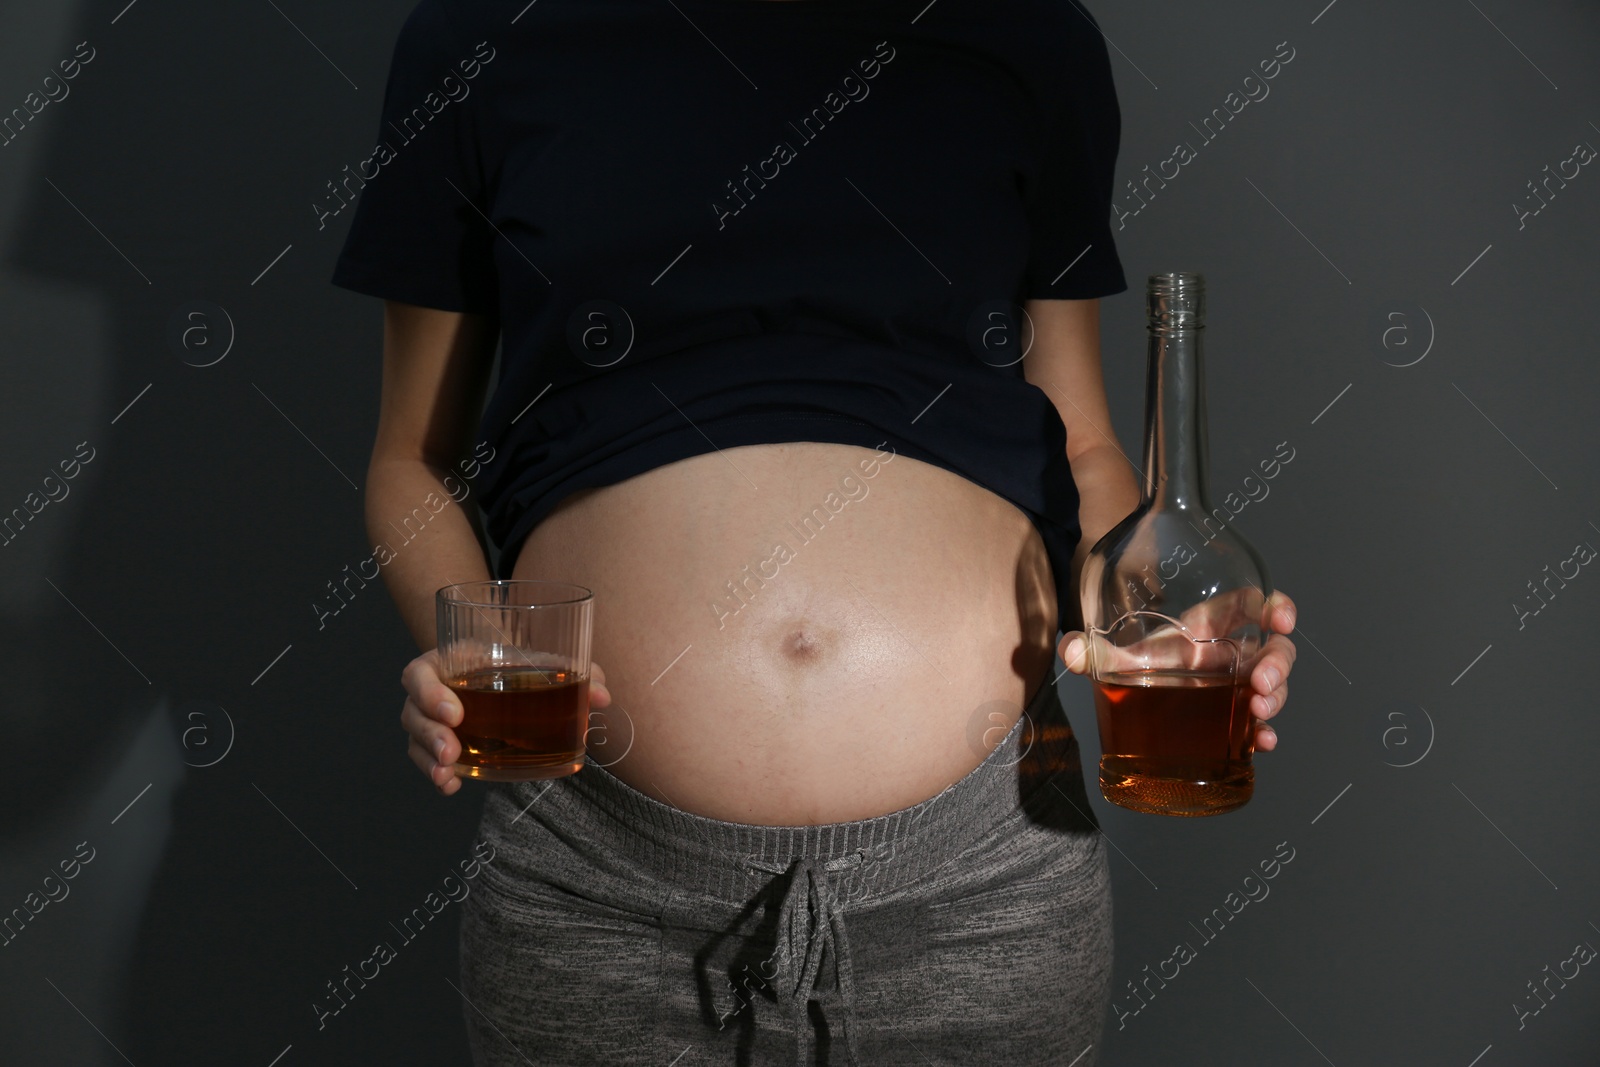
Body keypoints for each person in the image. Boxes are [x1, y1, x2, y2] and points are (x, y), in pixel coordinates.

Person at [330, 1, 1298, 1063]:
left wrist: (1160, 607)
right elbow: (407, 461)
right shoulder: (481, 33)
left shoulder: (1026, 33)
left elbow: (1080, 444)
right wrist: (465, 651)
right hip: (601, 880)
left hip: (976, 878)